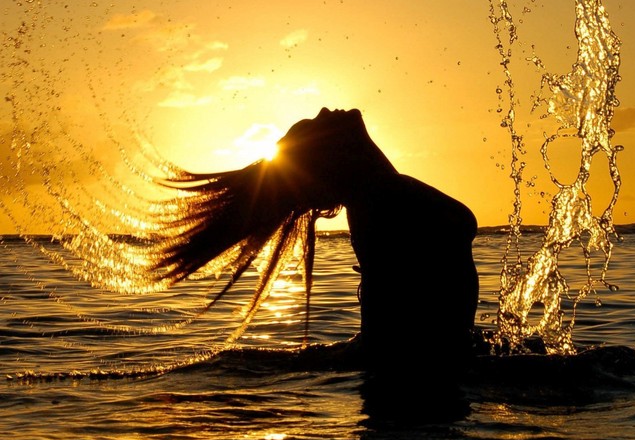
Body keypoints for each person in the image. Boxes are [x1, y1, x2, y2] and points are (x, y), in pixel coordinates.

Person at [151, 108, 479, 378]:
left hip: (420, 394)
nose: (323, 111)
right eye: (314, 124)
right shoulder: (379, 203)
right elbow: (396, 341)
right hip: (414, 403)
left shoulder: (382, 193)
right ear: (328, 159)